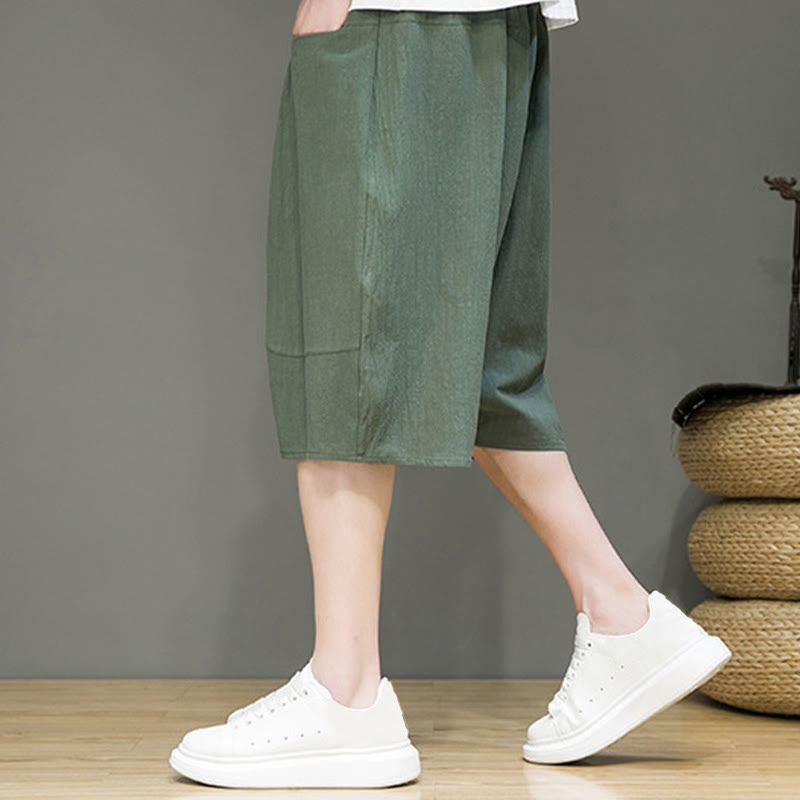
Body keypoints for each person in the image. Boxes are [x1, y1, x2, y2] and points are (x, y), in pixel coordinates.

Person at [168, 0, 732, 788]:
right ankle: (620, 615)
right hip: (493, 23)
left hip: (398, 20)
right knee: (483, 363)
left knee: (343, 343)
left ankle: (346, 693)